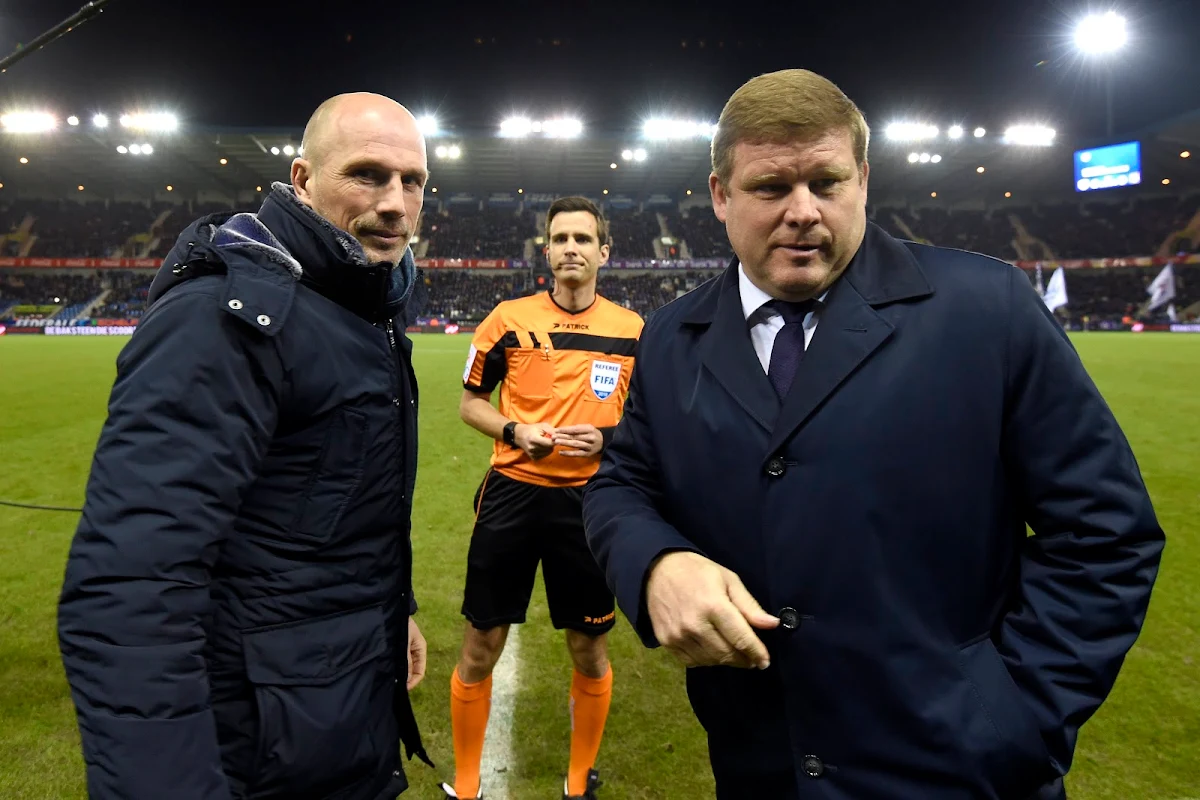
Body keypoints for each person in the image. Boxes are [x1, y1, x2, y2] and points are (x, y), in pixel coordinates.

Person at [582, 69, 1165, 799]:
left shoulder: (987, 309)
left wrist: (1015, 717)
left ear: (863, 179)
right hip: (761, 766)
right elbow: (620, 485)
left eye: (826, 183)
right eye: (771, 188)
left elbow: (1106, 531)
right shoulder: (671, 336)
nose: (803, 211)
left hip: (961, 772)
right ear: (720, 195)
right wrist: (654, 564)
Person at [58, 92, 435, 800]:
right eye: (366, 174)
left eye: (411, 181)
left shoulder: (360, 309)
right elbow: (131, 587)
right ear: (300, 180)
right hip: (256, 749)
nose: (394, 202)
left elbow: (328, 513)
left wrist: (395, 608)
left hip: (334, 721)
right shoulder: (221, 317)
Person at [441, 197, 644, 800]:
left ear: (604, 252)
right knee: (483, 640)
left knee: (589, 643)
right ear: (546, 250)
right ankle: (468, 781)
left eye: (584, 238)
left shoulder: (633, 330)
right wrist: (513, 431)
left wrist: (606, 438)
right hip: (511, 496)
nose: (571, 248)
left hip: (589, 503)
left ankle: (578, 780)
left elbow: (649, 422)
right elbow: (470, 402)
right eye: (560, 238)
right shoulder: (506, 319)